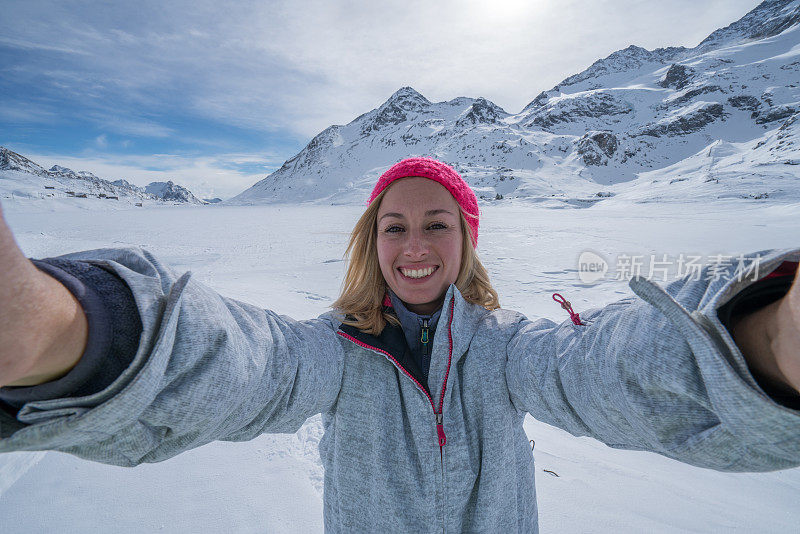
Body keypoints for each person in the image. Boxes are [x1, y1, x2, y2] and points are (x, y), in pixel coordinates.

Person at [1, 156, 799, 533]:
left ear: (467, 241)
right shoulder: (333, 351)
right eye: (394, 226)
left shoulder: (508, 348)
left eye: (436, 223)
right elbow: (253, 366)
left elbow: (593, 371)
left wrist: (762, 335)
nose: (414, 244)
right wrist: (64, 331)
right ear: (370, 243)